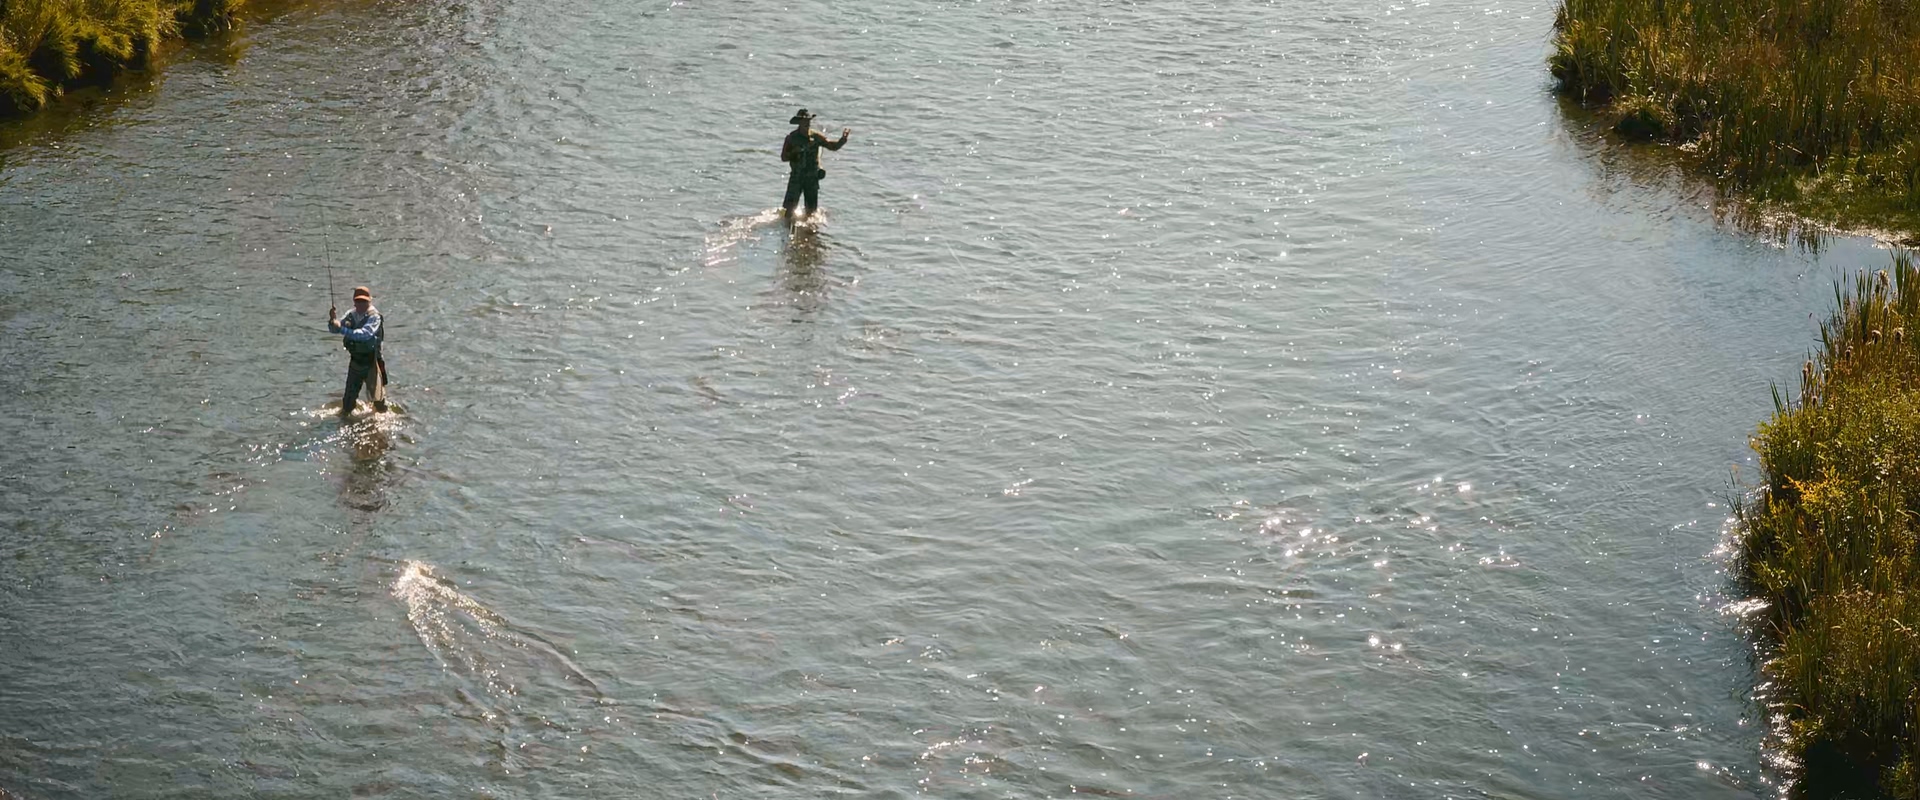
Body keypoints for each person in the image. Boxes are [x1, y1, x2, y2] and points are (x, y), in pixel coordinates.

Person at [327, 285, 387, 416]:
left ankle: (383, 419)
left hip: (372, 363)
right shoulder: (351, 315)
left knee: (378, 401)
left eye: (364, 301)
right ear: (354, 302)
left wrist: (341, 329)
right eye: (358, 301)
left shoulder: (374, 317)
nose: (360, 304)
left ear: (369, 301)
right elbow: (334, 329)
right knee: (348, 402)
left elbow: (365, 334)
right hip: (356, 361)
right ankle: (346, 418)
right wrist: (333, 321)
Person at [780, 108, 850, 219]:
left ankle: (809, 228)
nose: (807, 123)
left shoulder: (815, 136)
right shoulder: (791, 138)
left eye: (808, 121)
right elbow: (783, 157)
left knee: (811, 211)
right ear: (799, 122)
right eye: (804, 121)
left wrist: (843, 140)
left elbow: (832, 146)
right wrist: (794, 152)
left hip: (812, 178)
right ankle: (787, 227)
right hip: (796, 178)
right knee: (789, 210)